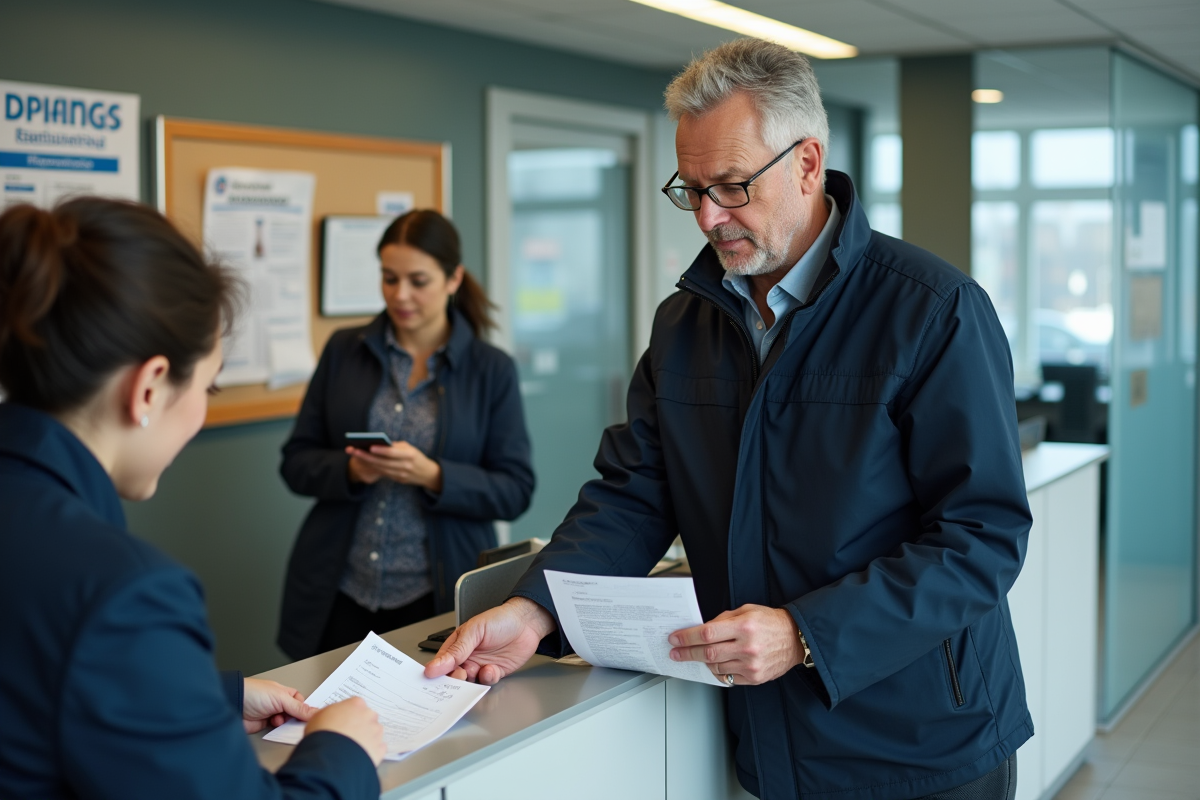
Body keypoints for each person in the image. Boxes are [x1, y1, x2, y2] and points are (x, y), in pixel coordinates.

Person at [425, 39, 1032, 800]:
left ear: (807, 164)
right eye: (692, 189)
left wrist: (808, 635)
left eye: (734, 186)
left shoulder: (932, 311)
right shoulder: (686, 323)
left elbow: (981, 540)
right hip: (773, 738)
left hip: (923, 741)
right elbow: (635, 494)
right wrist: (534, 608)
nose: (710, 216)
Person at [0, 198, 386, 798]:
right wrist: (340, 750)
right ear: (150, 387)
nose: (202, 412)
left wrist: (213, 696)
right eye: (206, 385)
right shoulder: (123, 590)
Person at [278, 209, 534, 660]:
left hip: (434, 597)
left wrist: (434, 475)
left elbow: (514, 490)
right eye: (388, 278)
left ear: (453, 279)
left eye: (418, 281)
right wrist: (352, 470)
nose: (400, 295)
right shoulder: (344, 350)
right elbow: (296, 461)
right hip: (339, 590)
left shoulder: (490, 369)